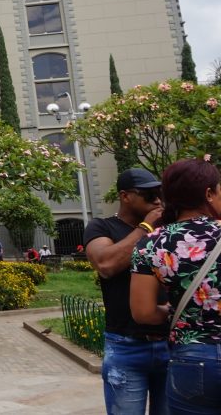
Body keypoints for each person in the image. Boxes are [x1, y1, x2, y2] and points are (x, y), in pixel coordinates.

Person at [132, 158, 221, 413]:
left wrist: (176, 313)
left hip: (191, 360)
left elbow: (143, 313)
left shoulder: (151, 244)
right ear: (208, 193)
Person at [85, 167, 169, 415]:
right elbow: (106, 264)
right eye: (149, 194)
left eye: (159, 193)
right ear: (125, 196)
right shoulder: (102, 227)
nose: (157, 200)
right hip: (126, 346)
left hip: (170, 344)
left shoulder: (168, 229)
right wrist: (146, 227)